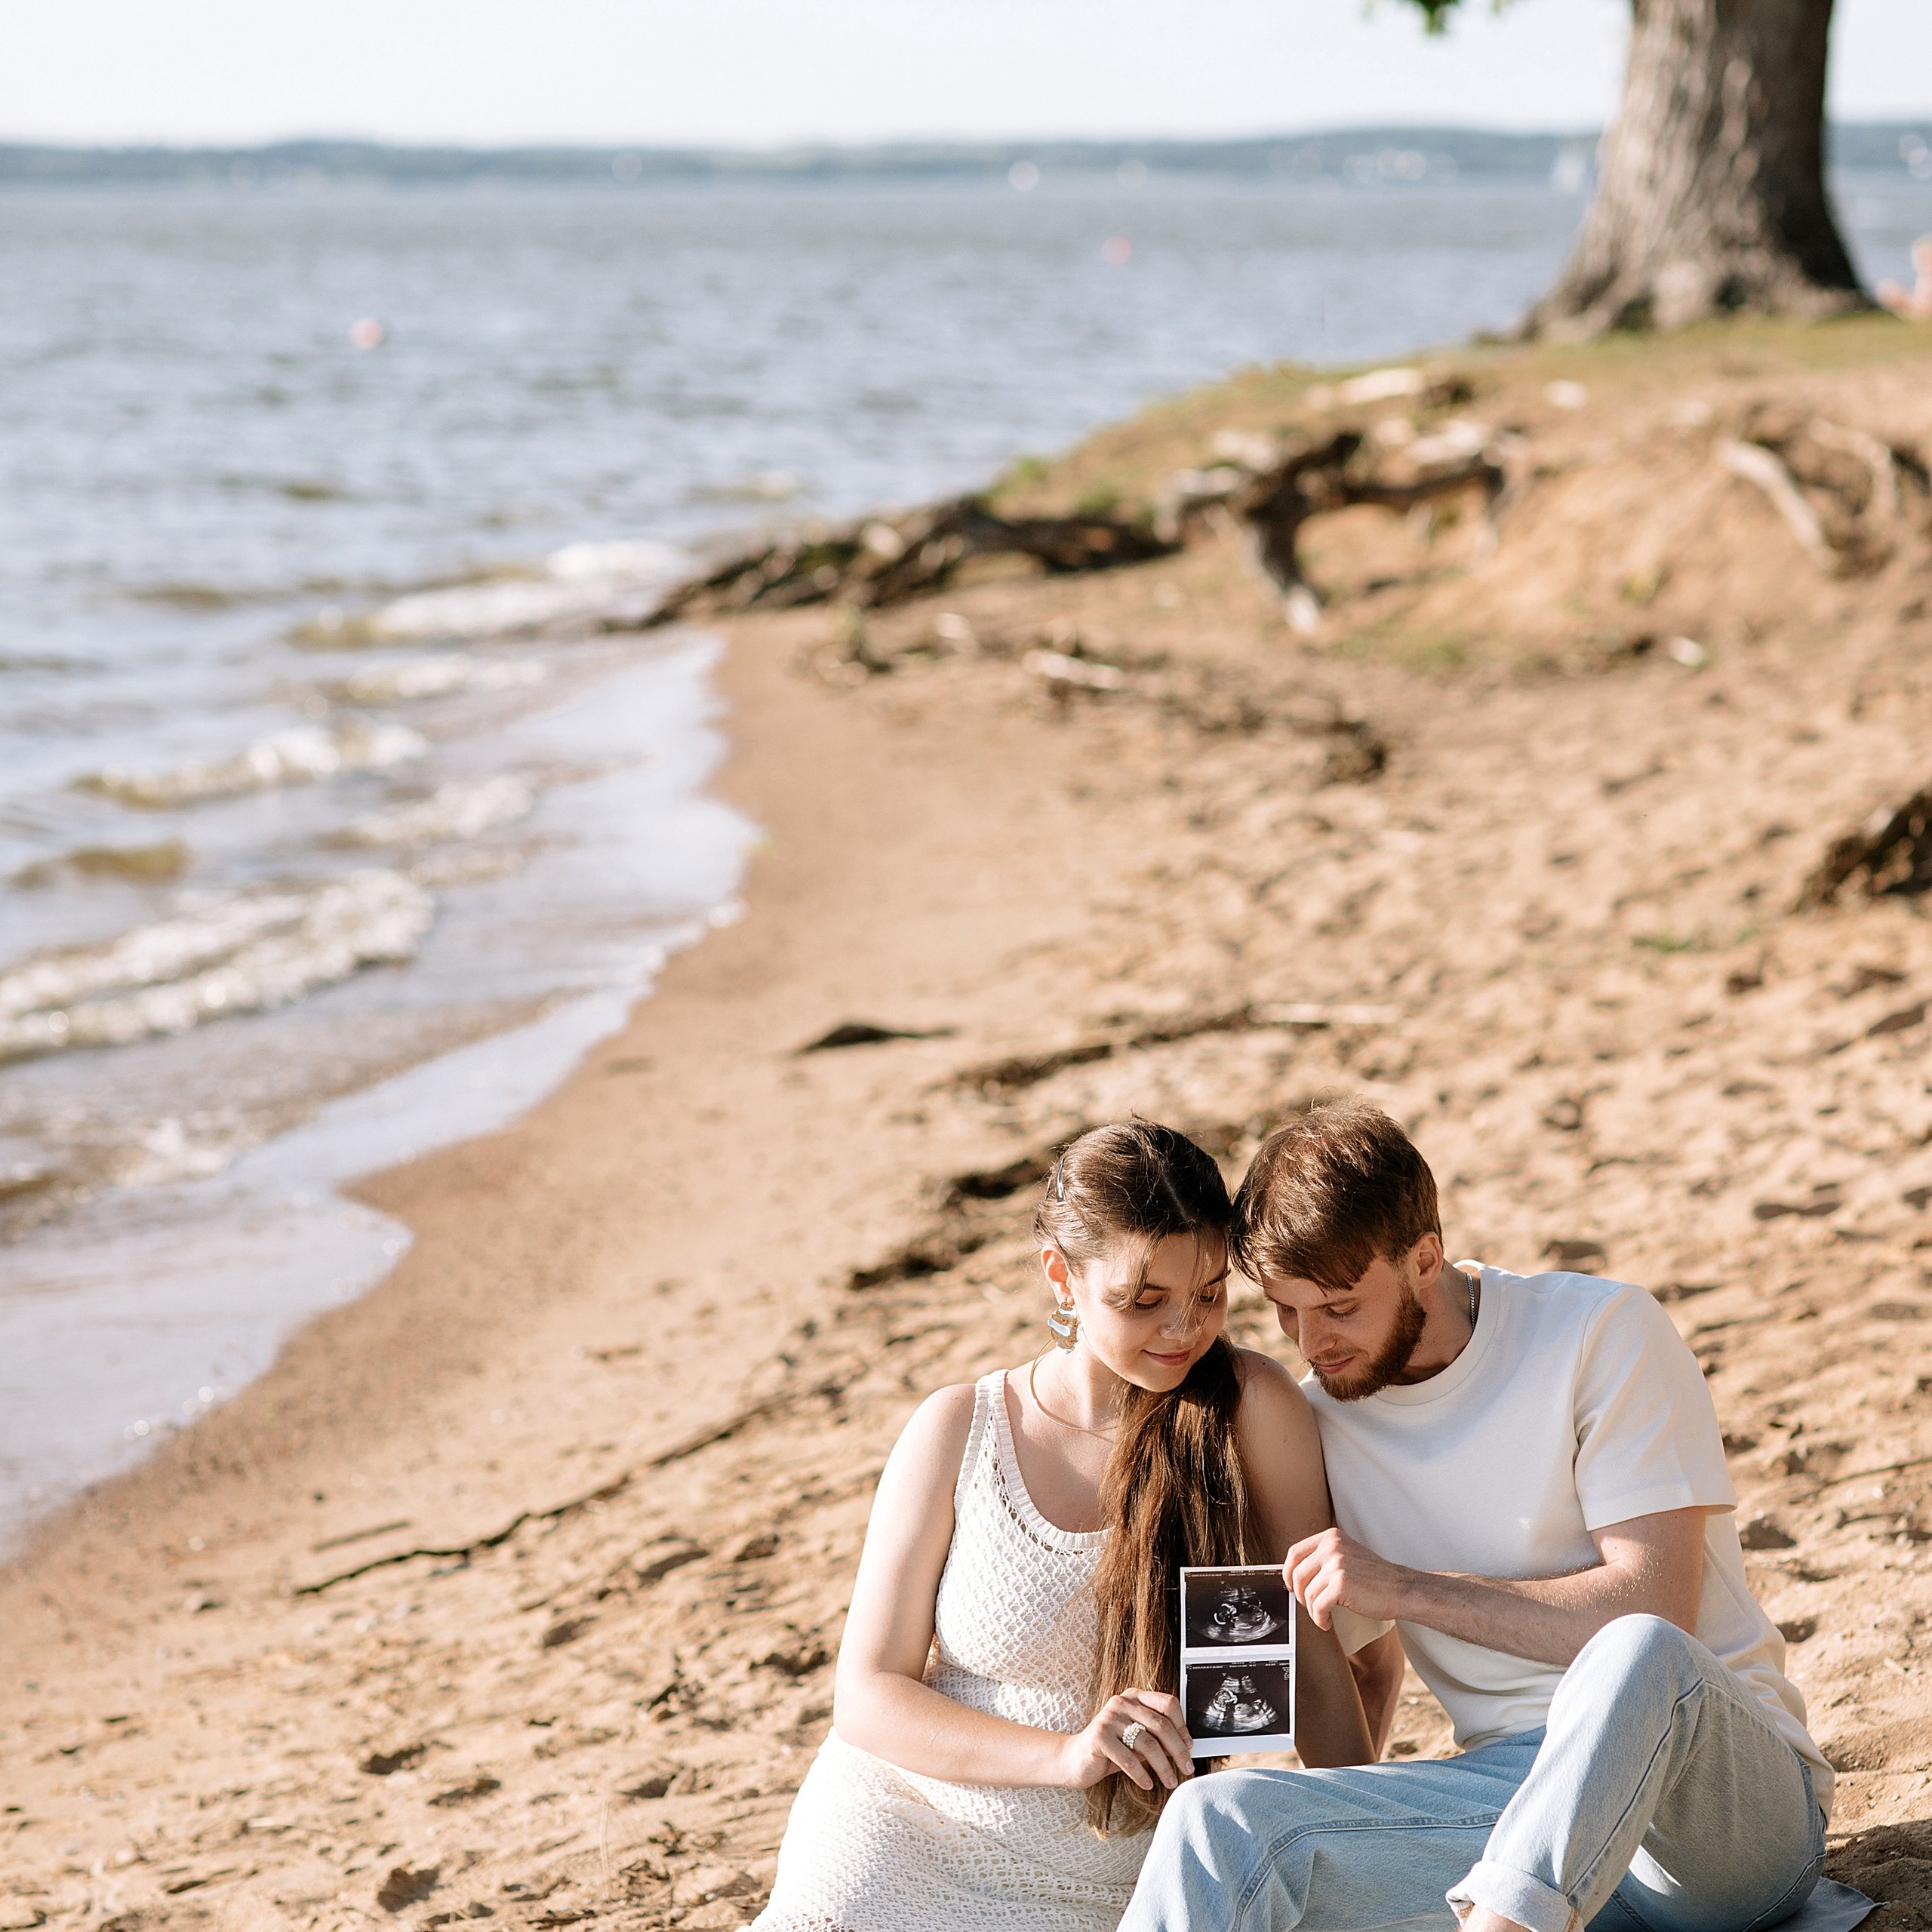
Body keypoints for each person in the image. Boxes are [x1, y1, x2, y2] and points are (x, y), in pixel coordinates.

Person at [1120, 1098, 1872, 1932]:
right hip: (1512, 1810)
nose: (1311, 1342)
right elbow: (1306, 1663)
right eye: (1285, 1311)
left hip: (1712, 1818)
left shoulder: (1597, 1333)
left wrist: (1406, 1587)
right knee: (1217, 1822)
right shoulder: (1316, 1419)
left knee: (1638, 1647)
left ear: (1422, 1258)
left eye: (1338, 1307)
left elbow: (1652, 1607)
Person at [752, 1121, 1380, 1932]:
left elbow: (1311, 1653)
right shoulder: (958, 1428)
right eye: (1142, 1300)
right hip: (900, 1823)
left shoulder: (1246, 1411)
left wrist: (1371, 1847)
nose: (1183, 1329)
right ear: (1062, 1276)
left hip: (1117, 1882)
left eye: (1209, 1293)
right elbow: (867, 1695)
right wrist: (1067, 1755)